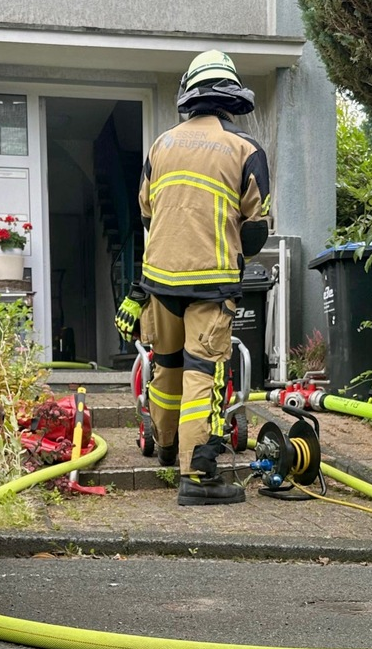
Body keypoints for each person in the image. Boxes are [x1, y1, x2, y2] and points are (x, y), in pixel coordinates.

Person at [115, 49, 272, 506]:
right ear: (229, 98)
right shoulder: (245, 150)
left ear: (191, 95)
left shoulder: (160, 146)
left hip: (158, 280)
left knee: (165, 366)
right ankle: (199, 476)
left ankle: (167, 448)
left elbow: (147, 212)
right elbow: (256, 227)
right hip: (212, 282)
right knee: (203, 372)